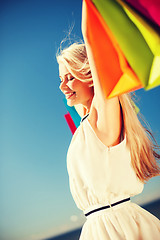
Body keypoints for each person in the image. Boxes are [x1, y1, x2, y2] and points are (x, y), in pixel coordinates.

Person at [57, 1, 160, 239]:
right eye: (60, 79)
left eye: (70, 77)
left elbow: (93, 43)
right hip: (98, 228)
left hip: (117, 227)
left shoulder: (102, 116)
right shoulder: (85, 125)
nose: (62, 85)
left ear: (91, 76)